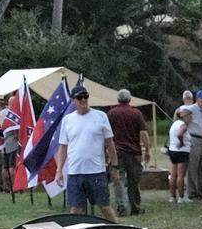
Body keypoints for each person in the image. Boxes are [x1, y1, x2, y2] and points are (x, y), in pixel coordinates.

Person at [55, 84, 119, 221]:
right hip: (75, 172)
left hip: (96, 171)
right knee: (76, 210)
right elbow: (63, 147)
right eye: (80, 97)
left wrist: (114, 166)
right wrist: (59, 170)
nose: (83, 100)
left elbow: (110, 143)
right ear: (73, 100)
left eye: (86, 96)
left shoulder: (101, 116)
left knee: (105, 207)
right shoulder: (67, 120)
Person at [106, 87, 149, 215]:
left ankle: (122, 208)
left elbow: (106, 135)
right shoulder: (136, 113)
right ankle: (135, 207)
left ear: (118, 99)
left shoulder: (111, 114)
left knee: (118, 181)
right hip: (134, 153)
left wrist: (106, 151)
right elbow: (143, 133)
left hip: (117, 153)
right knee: (133, 181)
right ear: (130, 99)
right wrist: (147, 150)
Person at [183, 89, 202, 199]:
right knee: (193, 166)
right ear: (197, 99)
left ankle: (200, 190)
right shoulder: (192, 108)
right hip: (194, 138)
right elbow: (181, 112)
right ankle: (191, 191)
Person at [167, 107, 192, 203]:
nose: (191, 119)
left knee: (173, 175)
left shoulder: (174, 124)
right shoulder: (183, 125)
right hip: (182, 151)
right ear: (185, 116)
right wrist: (181, 142)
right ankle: (181, 197)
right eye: (190, 116)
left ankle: (172, 196)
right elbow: (180, 134)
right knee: (181, 175)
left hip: (172, 150)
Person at [0, 95, 16, 193]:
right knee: (11, 166)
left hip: (3, 143)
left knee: (5, 167)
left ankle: (6, 187)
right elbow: (15, 129)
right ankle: (14, 187)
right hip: (12, 142)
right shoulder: (14, 113)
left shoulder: (0, 114)